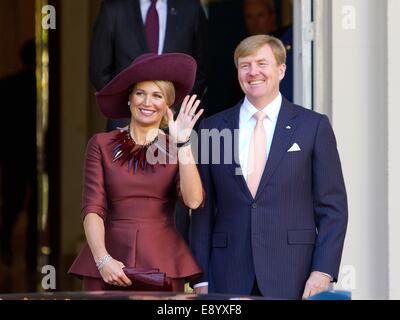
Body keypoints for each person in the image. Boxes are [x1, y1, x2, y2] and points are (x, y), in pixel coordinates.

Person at [190, 35, 348, 299]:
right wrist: (200, 278)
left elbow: (333, 207)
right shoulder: (212, 128)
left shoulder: (313, 126)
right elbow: (202, 212)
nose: (253, 72)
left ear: (281, 69)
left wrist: (322, 270)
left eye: (262, 63)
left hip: (294, 273)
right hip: (227, 273)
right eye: (245, 65)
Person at [68, 53, 204, 292]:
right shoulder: (100, 144)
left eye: (157, 95)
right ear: (129, 98)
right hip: (107, 263)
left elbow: (193, 201)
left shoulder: (178, 147)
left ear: (167, 105)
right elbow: (92, 209)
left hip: (163, 262)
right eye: (140, 93)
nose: (147, 102)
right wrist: (103, 259)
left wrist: (182, 143)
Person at [90, 0, 208, 131]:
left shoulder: (190, 7)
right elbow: (99, 71)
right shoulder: (114, 8)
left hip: (177, 122)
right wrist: (130, 104)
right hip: (127, 122)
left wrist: (178, 105)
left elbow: (201, 69)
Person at [0, 39, 37, 275]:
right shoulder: (41, 86)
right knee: (35, 206)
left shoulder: (6, 86)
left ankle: (5, 244)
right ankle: (32, 258)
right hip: (32, 153)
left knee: (12, 202)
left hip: (13, 152)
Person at [243, 0, 293, 101]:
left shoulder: (286, 43)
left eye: (260, 16)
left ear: (272, 16)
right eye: (249, 17)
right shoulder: (242, 53)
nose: (255, 23)